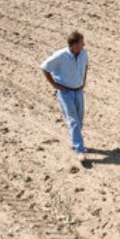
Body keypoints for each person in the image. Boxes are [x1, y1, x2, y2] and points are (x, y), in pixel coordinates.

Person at [41, 31, 89, 162]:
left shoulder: (83, 53)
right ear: (73, 44)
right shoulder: (60, 56)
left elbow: (86, 67)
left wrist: (83, 81)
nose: (84, 44)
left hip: (78, 90)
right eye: (81, 42)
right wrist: (55, 85)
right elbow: (44, 68)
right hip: (65, 92)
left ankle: (75, 141)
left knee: (79, 118)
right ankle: (79, 150)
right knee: (73, 119)